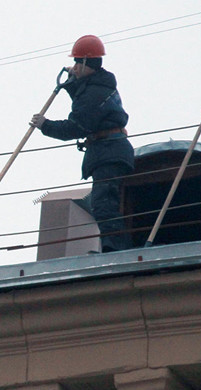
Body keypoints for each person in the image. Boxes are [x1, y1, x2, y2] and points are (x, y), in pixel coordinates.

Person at [30, 35, 134, 252]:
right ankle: (112, 247)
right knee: (104, 202)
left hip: (108, 151)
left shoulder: (94, 93)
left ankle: (115, 250)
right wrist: (72, 85)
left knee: (104, 204)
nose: (74, 67)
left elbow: (76, 127)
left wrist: (45, 125)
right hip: (110, 150)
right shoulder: (98, 85)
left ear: (87, 63)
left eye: (78, 62)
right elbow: (84, 103)